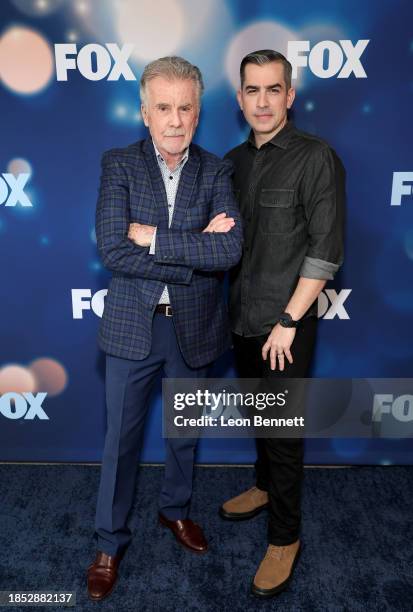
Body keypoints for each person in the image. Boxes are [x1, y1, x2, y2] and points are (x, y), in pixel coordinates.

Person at [87, 55, 242, 601]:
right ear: (144, 113)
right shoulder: (119, 165)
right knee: (120, 442)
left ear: (198, 114)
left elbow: (228, 249)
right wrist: (192, 245)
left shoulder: (217, 170)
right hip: (134, 329)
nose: (175, 120)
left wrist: (151, 237)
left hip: (193, 330)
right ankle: (109, 541)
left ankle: (174, 511)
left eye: (185, 108)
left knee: (182, 437)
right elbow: (111, 249)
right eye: (163, 108)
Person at [220, 50, 345, 599]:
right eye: (253, 90)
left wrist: (291, 320)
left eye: (274, 90)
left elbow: (326, 249)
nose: (263, 101)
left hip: (285, 327)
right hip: (243, 319)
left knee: (285, 434)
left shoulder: (316, 157)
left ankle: (285, 537)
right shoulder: (233, 161)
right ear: (241, 97)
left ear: (290, 96)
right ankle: (264, 487)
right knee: (258, 417)